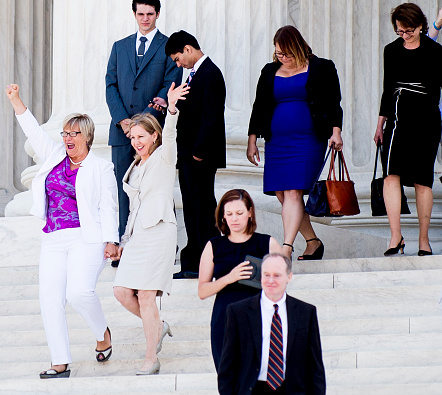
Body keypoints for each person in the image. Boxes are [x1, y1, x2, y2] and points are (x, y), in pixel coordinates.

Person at [5, 84, 119, 379]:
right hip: (53, 238)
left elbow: (109, 206)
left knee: (79, 292)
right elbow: (33, 132)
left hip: (86, 238)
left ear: (88, 136)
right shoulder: (54, 155)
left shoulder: (100, 168)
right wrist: (16, 101)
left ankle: (102, 331)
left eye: (74, 133)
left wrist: (111, 239)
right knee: (50, 298)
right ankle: (59, 361)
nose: (68, 138)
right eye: (65, 133)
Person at [247, 25, 343, 261]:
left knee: (292, 192)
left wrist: (336, 132)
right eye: (279, 53)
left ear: (298, 47)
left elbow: (334, 103)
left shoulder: (321, 67)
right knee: (283, 194)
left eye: (287, 53)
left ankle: (286, 248)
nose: (283, 58)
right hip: (277, 141)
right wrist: (252, 140)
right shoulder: (270, 71)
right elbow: (259, 107)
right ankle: (313, 242)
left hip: (308, 139)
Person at [113, 82, 190, 375]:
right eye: (132, 137)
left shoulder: (164, 155)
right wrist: (124, 240)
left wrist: (170, 108)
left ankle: (150, 358)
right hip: (137, 236)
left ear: (153, 136)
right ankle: (158, 326)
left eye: (141, 136)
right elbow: (133, 208)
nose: (136, 141)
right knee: (122, 291)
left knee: (146, 295)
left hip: (159, 231)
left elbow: (171, 134)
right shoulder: (135, 166)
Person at [105, 0, 182, 267]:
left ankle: (165, 247)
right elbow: (110, 85)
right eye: (141, 14)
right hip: (121, 132)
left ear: (157, 14)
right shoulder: (119, 47)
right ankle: (126, 247)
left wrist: (145, 124)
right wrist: (125, 121)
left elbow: (169, 85)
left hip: (153, 132)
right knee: (124, 189)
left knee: (158, 188)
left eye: (150, 14)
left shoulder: (167, 46)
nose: (145, 18)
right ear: (134, 14)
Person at [374, 3, 442, 257]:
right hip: (397, 120)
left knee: (422, 179)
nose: (404, 35)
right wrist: (380, 123)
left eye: (409, 30)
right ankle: (395, 237)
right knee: (391, 174)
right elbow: (386, 88)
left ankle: (424, 240)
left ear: (421, 25)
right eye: (400, 31)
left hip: (426, 120)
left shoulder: (435, 52)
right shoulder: (391, 51)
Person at [165, 30, 227, 279]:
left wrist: (199, 152)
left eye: (178, 58)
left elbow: (211, 116)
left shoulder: (210, 73)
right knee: (191, 208)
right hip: (188, 155)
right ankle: (192, 264)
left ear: (188, 49)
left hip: (200, 155)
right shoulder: (192, 76)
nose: (178, 64)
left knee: (203, 208)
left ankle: (210, 263)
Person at [217, 253, 326, 395]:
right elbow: (227, 367)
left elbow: (315, 368)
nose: (271, 280)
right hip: (253, 389)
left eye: (277, 275)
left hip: (293, 390)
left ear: (289, 277)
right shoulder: (238, 312)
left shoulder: (306, 313)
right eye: (266, 275)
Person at [198, 189, 281, 371]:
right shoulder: (214, 246)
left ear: (250, 213)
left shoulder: (267, 243)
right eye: (229, 214)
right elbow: (202, 291)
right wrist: (229, 278)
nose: (234, 219)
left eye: (239, 213)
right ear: (223, 217)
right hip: (225, 320)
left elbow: (282, 285)